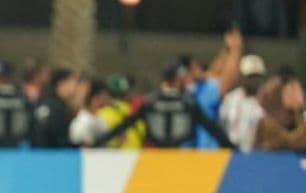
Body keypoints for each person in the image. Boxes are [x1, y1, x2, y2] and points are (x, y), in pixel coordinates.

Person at [98, 61, 234, 149]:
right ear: (176, 80)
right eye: (183, 79)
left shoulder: (150, 101)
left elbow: (126, 124)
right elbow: (211, 127)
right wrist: (232, 147)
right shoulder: (188, 103)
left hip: (157, 158)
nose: (186, 82)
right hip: (180, 158)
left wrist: (99, 142)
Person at [252, 76, 306, 153]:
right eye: (293, 90)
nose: (300, 94)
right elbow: (290, 144)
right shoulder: (267, 122)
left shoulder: (296, 118)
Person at [219, 54, 267, 152]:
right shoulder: (231, 99)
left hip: (256, 153)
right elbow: (221, 125)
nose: (254, 80)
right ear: (242, 77)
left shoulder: (266, 101)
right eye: (250, 76)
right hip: (232, 152)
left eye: (257, 76)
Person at [33, 68, 81, 149]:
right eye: (74, 83)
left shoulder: (44, 101)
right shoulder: (55, 108)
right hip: (53, 157)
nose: (76, 88)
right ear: (62, 83)